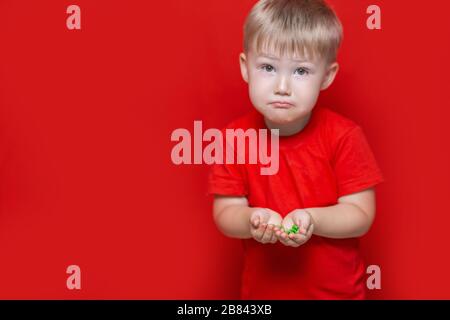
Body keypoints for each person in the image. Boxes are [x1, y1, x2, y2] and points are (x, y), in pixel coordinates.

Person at [207, 0, 385, 299]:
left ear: (327, 76)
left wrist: (312, 219)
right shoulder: (234, 138)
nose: (283, 86)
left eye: (301, 71)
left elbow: (361, 215)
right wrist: (253, 221)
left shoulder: (345, 136)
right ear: (245, 68)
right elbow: (226, 212)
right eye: (267, 67)